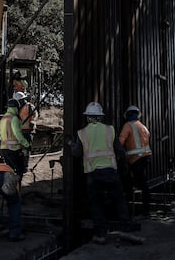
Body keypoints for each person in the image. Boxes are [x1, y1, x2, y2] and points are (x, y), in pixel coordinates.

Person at [69, 102, 129, 245]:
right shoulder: (110, 130)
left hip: (93, 174)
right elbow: (120, 150)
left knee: (96, 204)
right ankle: (126, 231)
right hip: (111, 171)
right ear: (100, 117)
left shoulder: (82, 133)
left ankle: (100, 235)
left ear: (88, 117)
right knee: (119, 200)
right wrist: (125, 166)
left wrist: (71, 144)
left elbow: (77, 153)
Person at [119, 105, 152, 217]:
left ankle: (143, 211)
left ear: (127, 115)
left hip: (136, 159)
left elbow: (120, 142)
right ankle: (144, 209)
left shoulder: (127, 126)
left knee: (137, 183)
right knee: (142, 183)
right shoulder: (143, 126)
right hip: (145, 157)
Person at [0, 98, 30, 181]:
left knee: (9, 171)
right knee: (19, 170)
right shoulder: (14, 119)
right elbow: (18, 134)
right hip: (13, 149)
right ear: (16, 108)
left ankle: (9, 189)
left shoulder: (3, 118)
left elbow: (0, 132)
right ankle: (17, 189)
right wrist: (26, 144)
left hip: (4, 149)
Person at [13, 91, 38, 171]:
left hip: (28, 131)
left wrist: (33, 121)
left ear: (23, 99)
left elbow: (35, 114)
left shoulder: (29, 106)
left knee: (26, 149)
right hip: (20, 131)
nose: (19, 102)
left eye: (20, 100)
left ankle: (25, 166)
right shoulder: (17, 108)